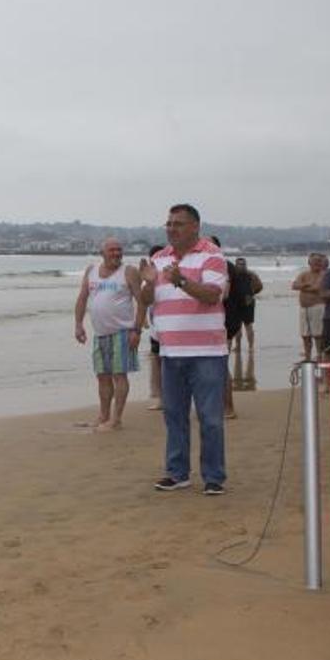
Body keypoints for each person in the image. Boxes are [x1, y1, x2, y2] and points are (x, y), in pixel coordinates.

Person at [138, 203, 230, 496]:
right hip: (170, 352)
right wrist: (149, 284)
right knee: (174, 416)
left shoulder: (212, 256)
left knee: (210, 418)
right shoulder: (158, 258)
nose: (171, 228)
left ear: (194, 227)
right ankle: (177, 473)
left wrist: (180, 280)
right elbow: (145, 298)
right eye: (168, 223)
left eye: (178, 223)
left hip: (207, 352)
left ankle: (213, 477)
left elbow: (212, 296)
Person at [73, 238, 144, 431]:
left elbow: (142, 301)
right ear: (102, 253)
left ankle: (116, 420)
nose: (116, 254)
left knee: (119, 376)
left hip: (122, 333)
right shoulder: (91, 271)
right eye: (112, 250)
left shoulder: (128, 272)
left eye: (119, 250)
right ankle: (103, 416)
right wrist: (78, 325)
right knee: (102, 376)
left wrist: (137, 330)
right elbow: (82, 298)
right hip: (100, 334)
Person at [224, 257, 262, 354]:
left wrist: (251, 294)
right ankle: (237, 346)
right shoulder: (232, 274)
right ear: (235, 265)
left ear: (246, 265)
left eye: (243, 264)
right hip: (235, 302)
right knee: (236, 326)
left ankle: (251, 347)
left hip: (247, 302)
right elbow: (227, 286)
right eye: (239, 264)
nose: (241, 266)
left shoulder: (251, 275)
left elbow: (259, 286)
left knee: (248, 325)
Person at [144, 244, 164, 410]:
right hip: (154, 329)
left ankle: (173, 398)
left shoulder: (169, 274)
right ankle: (161, 399)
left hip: (168, 329)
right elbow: (144, 299)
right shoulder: (149, 276)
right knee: (157, 362)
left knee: (170, 364)